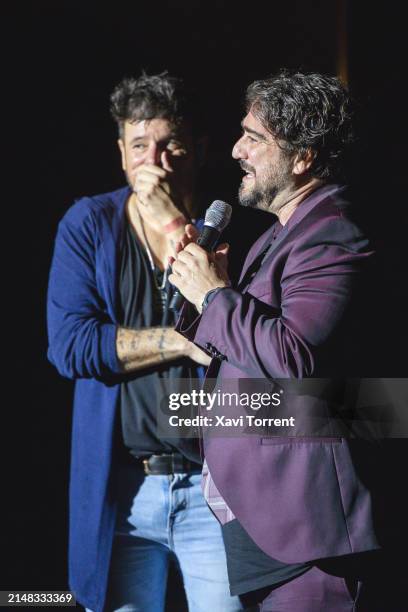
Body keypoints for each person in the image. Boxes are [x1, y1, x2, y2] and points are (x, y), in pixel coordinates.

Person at [169, 71, 406, 611]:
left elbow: (296, 359)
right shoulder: (281, 232)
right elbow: (244, 347)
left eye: (255, 138)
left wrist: (216, 298)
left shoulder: (333, 232)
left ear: (303, 158)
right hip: (264, 522)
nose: (236, 150)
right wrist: (204, 287)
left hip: (307, 532)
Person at [47, 72, 243, 612]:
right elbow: (71, 347)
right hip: (126, 494)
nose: (153, 161)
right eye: (139, 146)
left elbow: (247, 348)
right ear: (120, 153)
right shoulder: (88, 224)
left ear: (199, 151)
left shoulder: (233, 227)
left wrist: (175, 222)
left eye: (170, 145)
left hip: (216, 490)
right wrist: (182, 341)